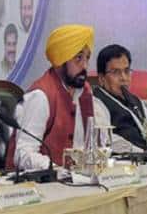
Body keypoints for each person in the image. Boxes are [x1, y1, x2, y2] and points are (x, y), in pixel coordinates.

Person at [8, 25, 95, 170]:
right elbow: (23, 154)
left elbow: (89, 145)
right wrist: (55, 169)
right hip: (39, 180)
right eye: (78, 58)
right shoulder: (41, 96)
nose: (85, 66)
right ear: (60, 60)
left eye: (87, 57)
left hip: (75, 178)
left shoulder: (85, 92)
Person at [93, 44, 147, 153]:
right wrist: (140, 152)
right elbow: (105, 139)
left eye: (127, 71)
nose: (124, 78)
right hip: (122, 160)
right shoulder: (96, 102)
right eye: (116, 72)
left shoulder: (136, 100)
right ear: (101, 78)